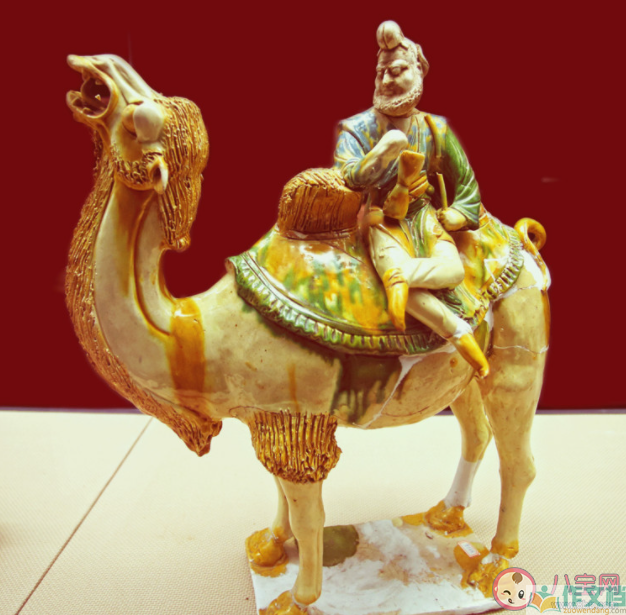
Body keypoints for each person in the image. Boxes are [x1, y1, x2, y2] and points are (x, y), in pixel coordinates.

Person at [334, 20, 489, 377]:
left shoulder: (436, 130)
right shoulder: (357, 129)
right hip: (378, 221)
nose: (386, 80)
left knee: (453, 271)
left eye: (397, 70)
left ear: (418, 72)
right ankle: (457, 331)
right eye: (381, 73)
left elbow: (466, 185)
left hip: (424, 219)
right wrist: (381, 156)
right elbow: (345, 176)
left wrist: (459, 214)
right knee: (390, 267)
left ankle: (400, 277)